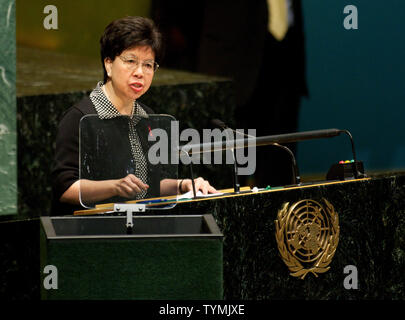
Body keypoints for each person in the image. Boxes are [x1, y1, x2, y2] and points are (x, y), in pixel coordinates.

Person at [51, 16, 216, 215]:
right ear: (108, 64)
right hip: (92, 233)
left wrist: (184, 185)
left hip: (140, 229)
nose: (140, 72)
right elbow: (65, 189)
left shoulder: (149, 117)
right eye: (131, 61)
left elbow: (153, 184)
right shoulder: (80, 118)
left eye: (148, 65)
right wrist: (114, 186)